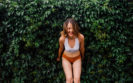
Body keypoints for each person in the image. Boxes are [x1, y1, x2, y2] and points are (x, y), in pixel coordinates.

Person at [57, 18, 85, 83]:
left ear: (75, 28)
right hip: (66, 58)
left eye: (73, 28)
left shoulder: (81, 37)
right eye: (69, 28)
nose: (71, 30)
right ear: (65, 28)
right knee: (69, 79)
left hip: (77, 58)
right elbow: (61, 48)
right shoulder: (62, 39)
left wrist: (82, 56)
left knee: (77, 80)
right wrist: (58, 57)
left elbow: (82, 48)